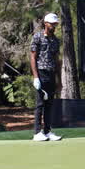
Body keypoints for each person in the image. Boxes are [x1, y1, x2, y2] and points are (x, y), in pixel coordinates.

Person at [30, 12, 63, 141]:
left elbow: (57, 61)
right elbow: (33, 57)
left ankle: (47, 131)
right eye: (52, 24)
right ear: (45, 23)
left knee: (49, 104)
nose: (54, 26)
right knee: (40, 104)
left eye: (55, 24)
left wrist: (59, 80)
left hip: (51, 74)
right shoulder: (37, 37)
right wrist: (35, 77)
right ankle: (37, 132)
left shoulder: (55, 40)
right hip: (41, 73)